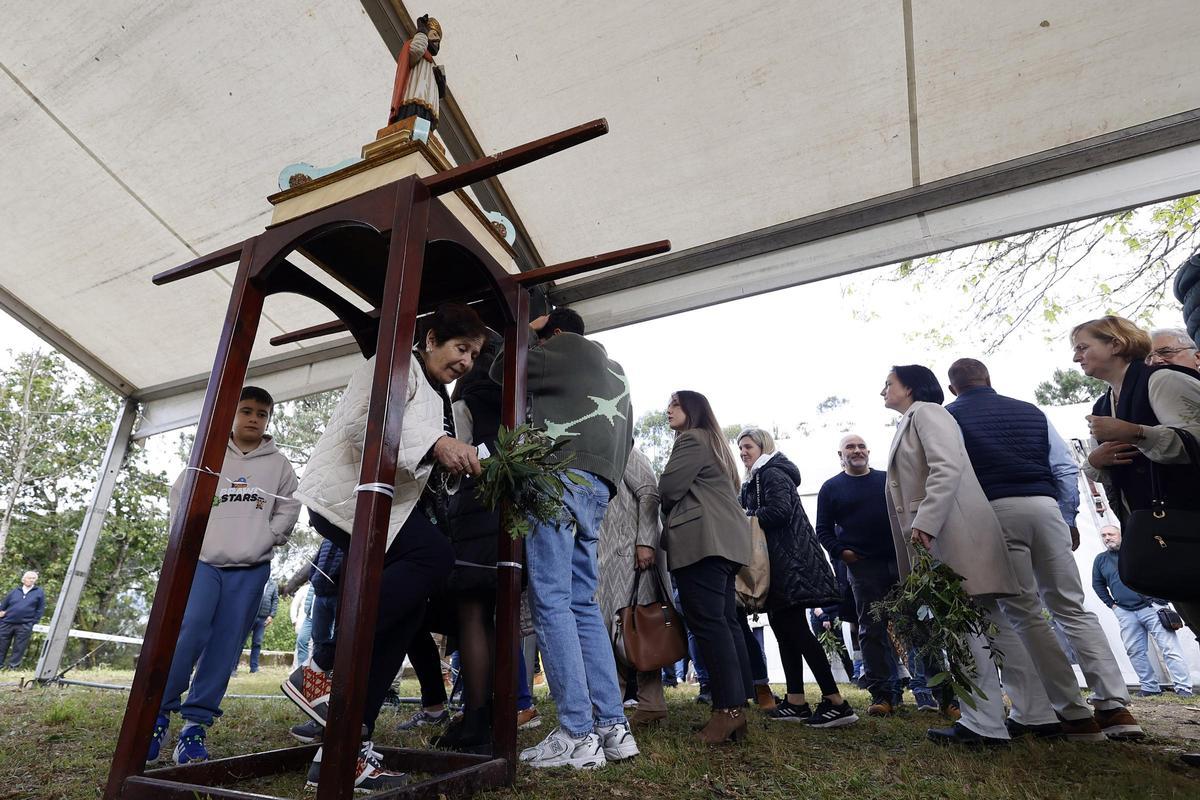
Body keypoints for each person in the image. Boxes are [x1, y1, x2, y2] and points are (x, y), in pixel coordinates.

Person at [285, 303, 485, 790]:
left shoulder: (432, 389)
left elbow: (412, 451)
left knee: (410, 611)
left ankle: (346, 749)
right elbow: (364, 423)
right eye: (462, 348)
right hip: (352, 499)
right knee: (433, 556)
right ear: (431, 338)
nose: (467, 362)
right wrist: (438, 445)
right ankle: (320, 666)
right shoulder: (393, 363)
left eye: (475, 355)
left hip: (388, 508)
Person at [945, 357, 1140, 741]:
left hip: (996, 510)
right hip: (1046, 508)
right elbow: (1064, 467)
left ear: (953, 389)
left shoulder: (950, 418)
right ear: (989, 379)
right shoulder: (1029, 411)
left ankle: (1074, 713)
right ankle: (1115, 707)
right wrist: (1067, 516)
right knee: (1071, 604)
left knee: (1025, 612)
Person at [492, 307, 639, 770]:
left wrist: (528, 330)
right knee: (581, 602)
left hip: (556, 476)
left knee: (551, 600)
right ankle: (613, 729)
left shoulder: (560, 348)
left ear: (553, 331)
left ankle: (576, 733)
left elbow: (501, 369)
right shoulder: (617, 371)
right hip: (599, 486)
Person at [881, 365, 1053, 746]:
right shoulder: (916, 418)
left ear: (910, 387)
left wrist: (925, 521)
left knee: (964, 629)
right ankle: (1036, 712)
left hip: (950, 533)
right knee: (992, 625)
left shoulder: (927, 412)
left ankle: (983, 722)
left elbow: (946, 466)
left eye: (888, 384)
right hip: (950, 531)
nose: (883, 391)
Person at [148, 386, 300, 765]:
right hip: (203, 562)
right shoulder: (209, 453)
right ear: (231, 415)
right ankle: (157, 716)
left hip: (250, 568)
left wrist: (271, 535)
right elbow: (179, 496)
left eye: (261, 413)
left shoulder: (279, 463)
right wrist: (185, 540)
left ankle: (195, 726)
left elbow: (290, 504)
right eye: (245, 410)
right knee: (190, 629)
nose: (253, 418)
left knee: (227, 645)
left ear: (268, 419)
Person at [736, 427, 858, 728]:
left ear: (763, 447)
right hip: (778, 564)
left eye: (748, 447)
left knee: (797, 632)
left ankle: (835, 701)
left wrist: (744, 518)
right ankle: (795, 700)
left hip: (790, 564)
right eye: (740, 448)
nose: (743, 453)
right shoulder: (755, 479)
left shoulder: (772, 475)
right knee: (784, 631)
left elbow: (778, 512)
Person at [816, 434, 940, 715]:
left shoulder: (888, 481)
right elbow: (822, 529)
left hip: (900, 563)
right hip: (863, 569)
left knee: (919, 625)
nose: (857, 451)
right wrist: (842, 553)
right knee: (871, 631)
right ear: (841, 455)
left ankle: (941, 694)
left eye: (861, 446)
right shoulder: (831, 488)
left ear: (869, 452)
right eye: (850, 447)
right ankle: (884, 696)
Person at [658, 390, 754, 744]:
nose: (667, 410)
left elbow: (667, 488)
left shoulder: (692, 439)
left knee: (710, 624)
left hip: (703, 543)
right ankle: (735, 711)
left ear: (693, 409)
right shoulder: (715, 444)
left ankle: (727, 711)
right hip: (723, 545)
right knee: (724, 623)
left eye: (675, 404)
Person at [595, 447, 671, 727]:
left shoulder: (626, 451)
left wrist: (645, 542)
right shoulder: (601, 454)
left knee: (636, 631)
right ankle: (613, 705)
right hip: (608, 558)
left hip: (632, 557)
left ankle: (651, 705)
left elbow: (650, 493)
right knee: (610, 631)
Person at [1135, 325, 1200, 641]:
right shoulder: (1145, 396)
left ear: (1196, 357)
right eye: (1150, 356)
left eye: (1166, 352)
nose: (1156, 361)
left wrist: (1138, 434)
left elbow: (1187, 442)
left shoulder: (1171, 384)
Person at [1092, 525, 1193, 696]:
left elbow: (1162, 573)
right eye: (1103, 535)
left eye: (1111, 534)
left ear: (1120, 535)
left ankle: (1183, 688)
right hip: (1125, 611)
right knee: (1135, 651)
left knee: (1169, 648)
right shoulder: (1101, 560)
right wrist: (1112, 605)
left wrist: (1160, 598)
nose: (1107, 537)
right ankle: (1150, 687)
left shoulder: (1137, 552)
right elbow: (1097, 584)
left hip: (1151, 607)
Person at [388, 14, 447, 131]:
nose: (437, 42)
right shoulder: (418, 48)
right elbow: (417, 49)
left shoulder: (431, 63)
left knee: (422, 135)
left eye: (439, 41)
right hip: (415, 99)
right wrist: (421, 30)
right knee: (410, 129)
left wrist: (441, 85)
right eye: (434, 35)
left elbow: (437, 92)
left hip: (428, 106)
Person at [0, 571, 45, 669]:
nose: (31, 580)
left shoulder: (39, 592)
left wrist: (33, 622)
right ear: (23, 579)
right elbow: (3, 605)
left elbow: (40, 609)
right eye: (29, 578)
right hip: (6, 623)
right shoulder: (15, 591)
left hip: (25, 624)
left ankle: (13, 667)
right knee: (1, 645)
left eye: (33, 578)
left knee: (19, 647)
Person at [240, 578, 279, 674]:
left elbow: (275, 600)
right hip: (249, 616)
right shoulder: (254, 580)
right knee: (241, 642)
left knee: (257, 643)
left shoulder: (273, 584)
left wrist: (271, 615)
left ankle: (254, 668)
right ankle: (233, 668)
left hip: (263, 618)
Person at [291, 582, 314, 668]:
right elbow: (294, 605)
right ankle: (297, 669)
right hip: (302, 622)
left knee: (312, 648)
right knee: (300, 645)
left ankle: (308, 671)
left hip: (315, 622)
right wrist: (294, 619)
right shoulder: (304, 589)